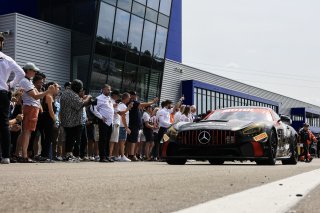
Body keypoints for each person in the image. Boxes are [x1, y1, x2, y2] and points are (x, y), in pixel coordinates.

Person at [19, 63, 55, 163]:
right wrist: (48, 91)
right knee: (27, 132)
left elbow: (37, 96)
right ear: (28, 70)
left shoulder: (27, 81)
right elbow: (35, 96)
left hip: (31, 108)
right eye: (34, 71)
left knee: (27, 132)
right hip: (30, 108)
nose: (35, 72)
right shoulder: (25, 81)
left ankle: (22, 155)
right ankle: (24, 156)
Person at [0, 33, 25, 164]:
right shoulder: (7, 59)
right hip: (3, 92)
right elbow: (22, 73)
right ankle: (5, 156)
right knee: (4, 124)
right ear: (1, 44)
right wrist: (11, 84)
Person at [60, 79, 92, 162]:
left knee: (70, 138)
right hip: (73, 121)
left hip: (67, 120)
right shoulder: (72, 94)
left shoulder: (66, 93)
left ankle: (68, 155)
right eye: (80, 88)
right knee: (73, 139)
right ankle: (70, 155)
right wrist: (88, 98)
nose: (81, 90)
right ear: (76, 87)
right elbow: (80, 104)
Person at [127, 91, 158, 161]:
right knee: (133, 141)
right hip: (133, 124)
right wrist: (153, 102)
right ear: (131, 96)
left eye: (135, 95)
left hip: (136, 125)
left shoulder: (134, 103)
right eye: (134, 95)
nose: (135, 96)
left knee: (134, 141)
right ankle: (131, 155)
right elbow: (143, 104)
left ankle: (131, 155)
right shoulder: (133, 102)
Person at [91, 84, 115, 162]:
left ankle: (107, 156)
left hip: (110, 122)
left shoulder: (109, 98)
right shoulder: (98, 98)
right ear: (103, 89)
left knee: (108, 139)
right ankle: (102, 157)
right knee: (103, 139)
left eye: (110, 90)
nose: (109, 91)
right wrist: (101, 117)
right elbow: (93, 109)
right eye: (108, 89)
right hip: (103, 122)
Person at [41, 82, 60, 161]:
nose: (58, 89)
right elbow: (51, 111)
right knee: (47, 137)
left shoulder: (52, 96)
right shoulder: (48, 96)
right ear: (52, 87)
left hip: (49, 119)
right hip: (47, 119)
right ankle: (44, 155)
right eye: (57, 87)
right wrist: (55, 120)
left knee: (49, 137)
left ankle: (46, 155)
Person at [116, 92, 133, 162]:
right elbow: (123, 117)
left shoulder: (121, 105)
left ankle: (118, 155)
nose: (129, 99)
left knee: (119, 141)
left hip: (121, 126)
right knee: (122, 141)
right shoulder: (123, 106)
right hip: (122, 126)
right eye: (129, 98)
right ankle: (122, 156)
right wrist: (126, 127)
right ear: (126, 98)